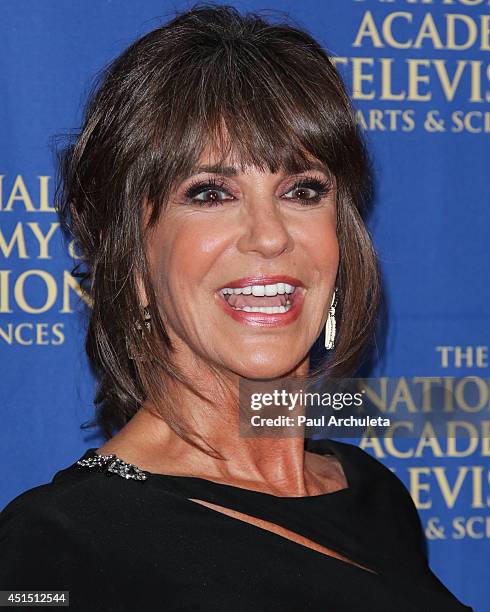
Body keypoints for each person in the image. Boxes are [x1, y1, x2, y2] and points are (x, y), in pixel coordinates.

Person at [0, 4, 473, 611]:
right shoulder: (56, 544)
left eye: (302, 190)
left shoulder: (371, 492)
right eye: (209, 193)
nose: (270, 235)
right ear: (134, 260)